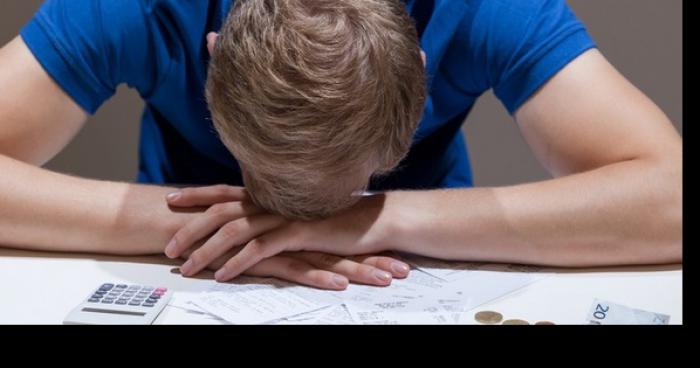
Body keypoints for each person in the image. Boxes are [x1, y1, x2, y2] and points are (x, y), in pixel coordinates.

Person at [0, 0, 681, 291]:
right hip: (188, 276)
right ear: (214, 63)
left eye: (345, 188)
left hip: (414, 278)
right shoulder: (136, 7)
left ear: (416, 71)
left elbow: (671, 198)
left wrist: (380, 219)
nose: (307, 223)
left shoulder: (481, 8)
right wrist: (211, 230)